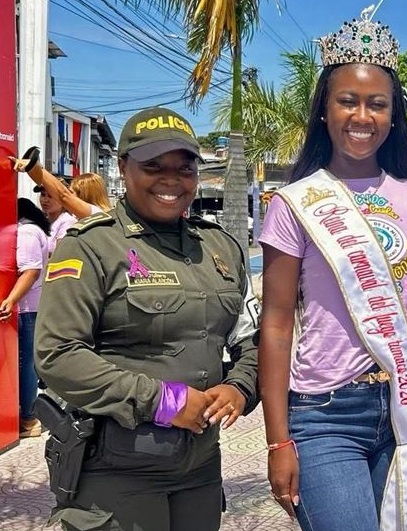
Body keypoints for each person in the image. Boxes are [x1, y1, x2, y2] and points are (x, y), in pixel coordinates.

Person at [257, 6, 407, 530]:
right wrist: (277, 440)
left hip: (402, 405)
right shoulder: (295, 202)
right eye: (347, 101)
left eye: (376, 104)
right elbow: (275, 324)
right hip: (324, 413)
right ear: (325, 110)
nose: (361, 117)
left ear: (392, 115)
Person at [33, 106, 260, 531]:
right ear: (123, 167)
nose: (171, 179)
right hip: (117, 472)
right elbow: (58, 355)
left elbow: (252, 338)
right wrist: (164, 402)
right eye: (153, 166)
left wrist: (240, 387)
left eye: (184, 166)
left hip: (200, 469)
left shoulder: (220, 249)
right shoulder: (91, 247)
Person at [0, 199, 50, 437]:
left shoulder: (27, 231)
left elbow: (31, 270)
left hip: (26, 308)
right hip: (24, 307)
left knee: (26, 363)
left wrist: (10, 300)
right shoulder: (27, 230)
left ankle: (29, 419)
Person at [10, 149, 111, 219]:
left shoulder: (96, 214)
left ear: (85, 195)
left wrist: (33, 166)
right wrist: (33, 169)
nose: (69, 195)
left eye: (72, 192)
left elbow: (63, 195)